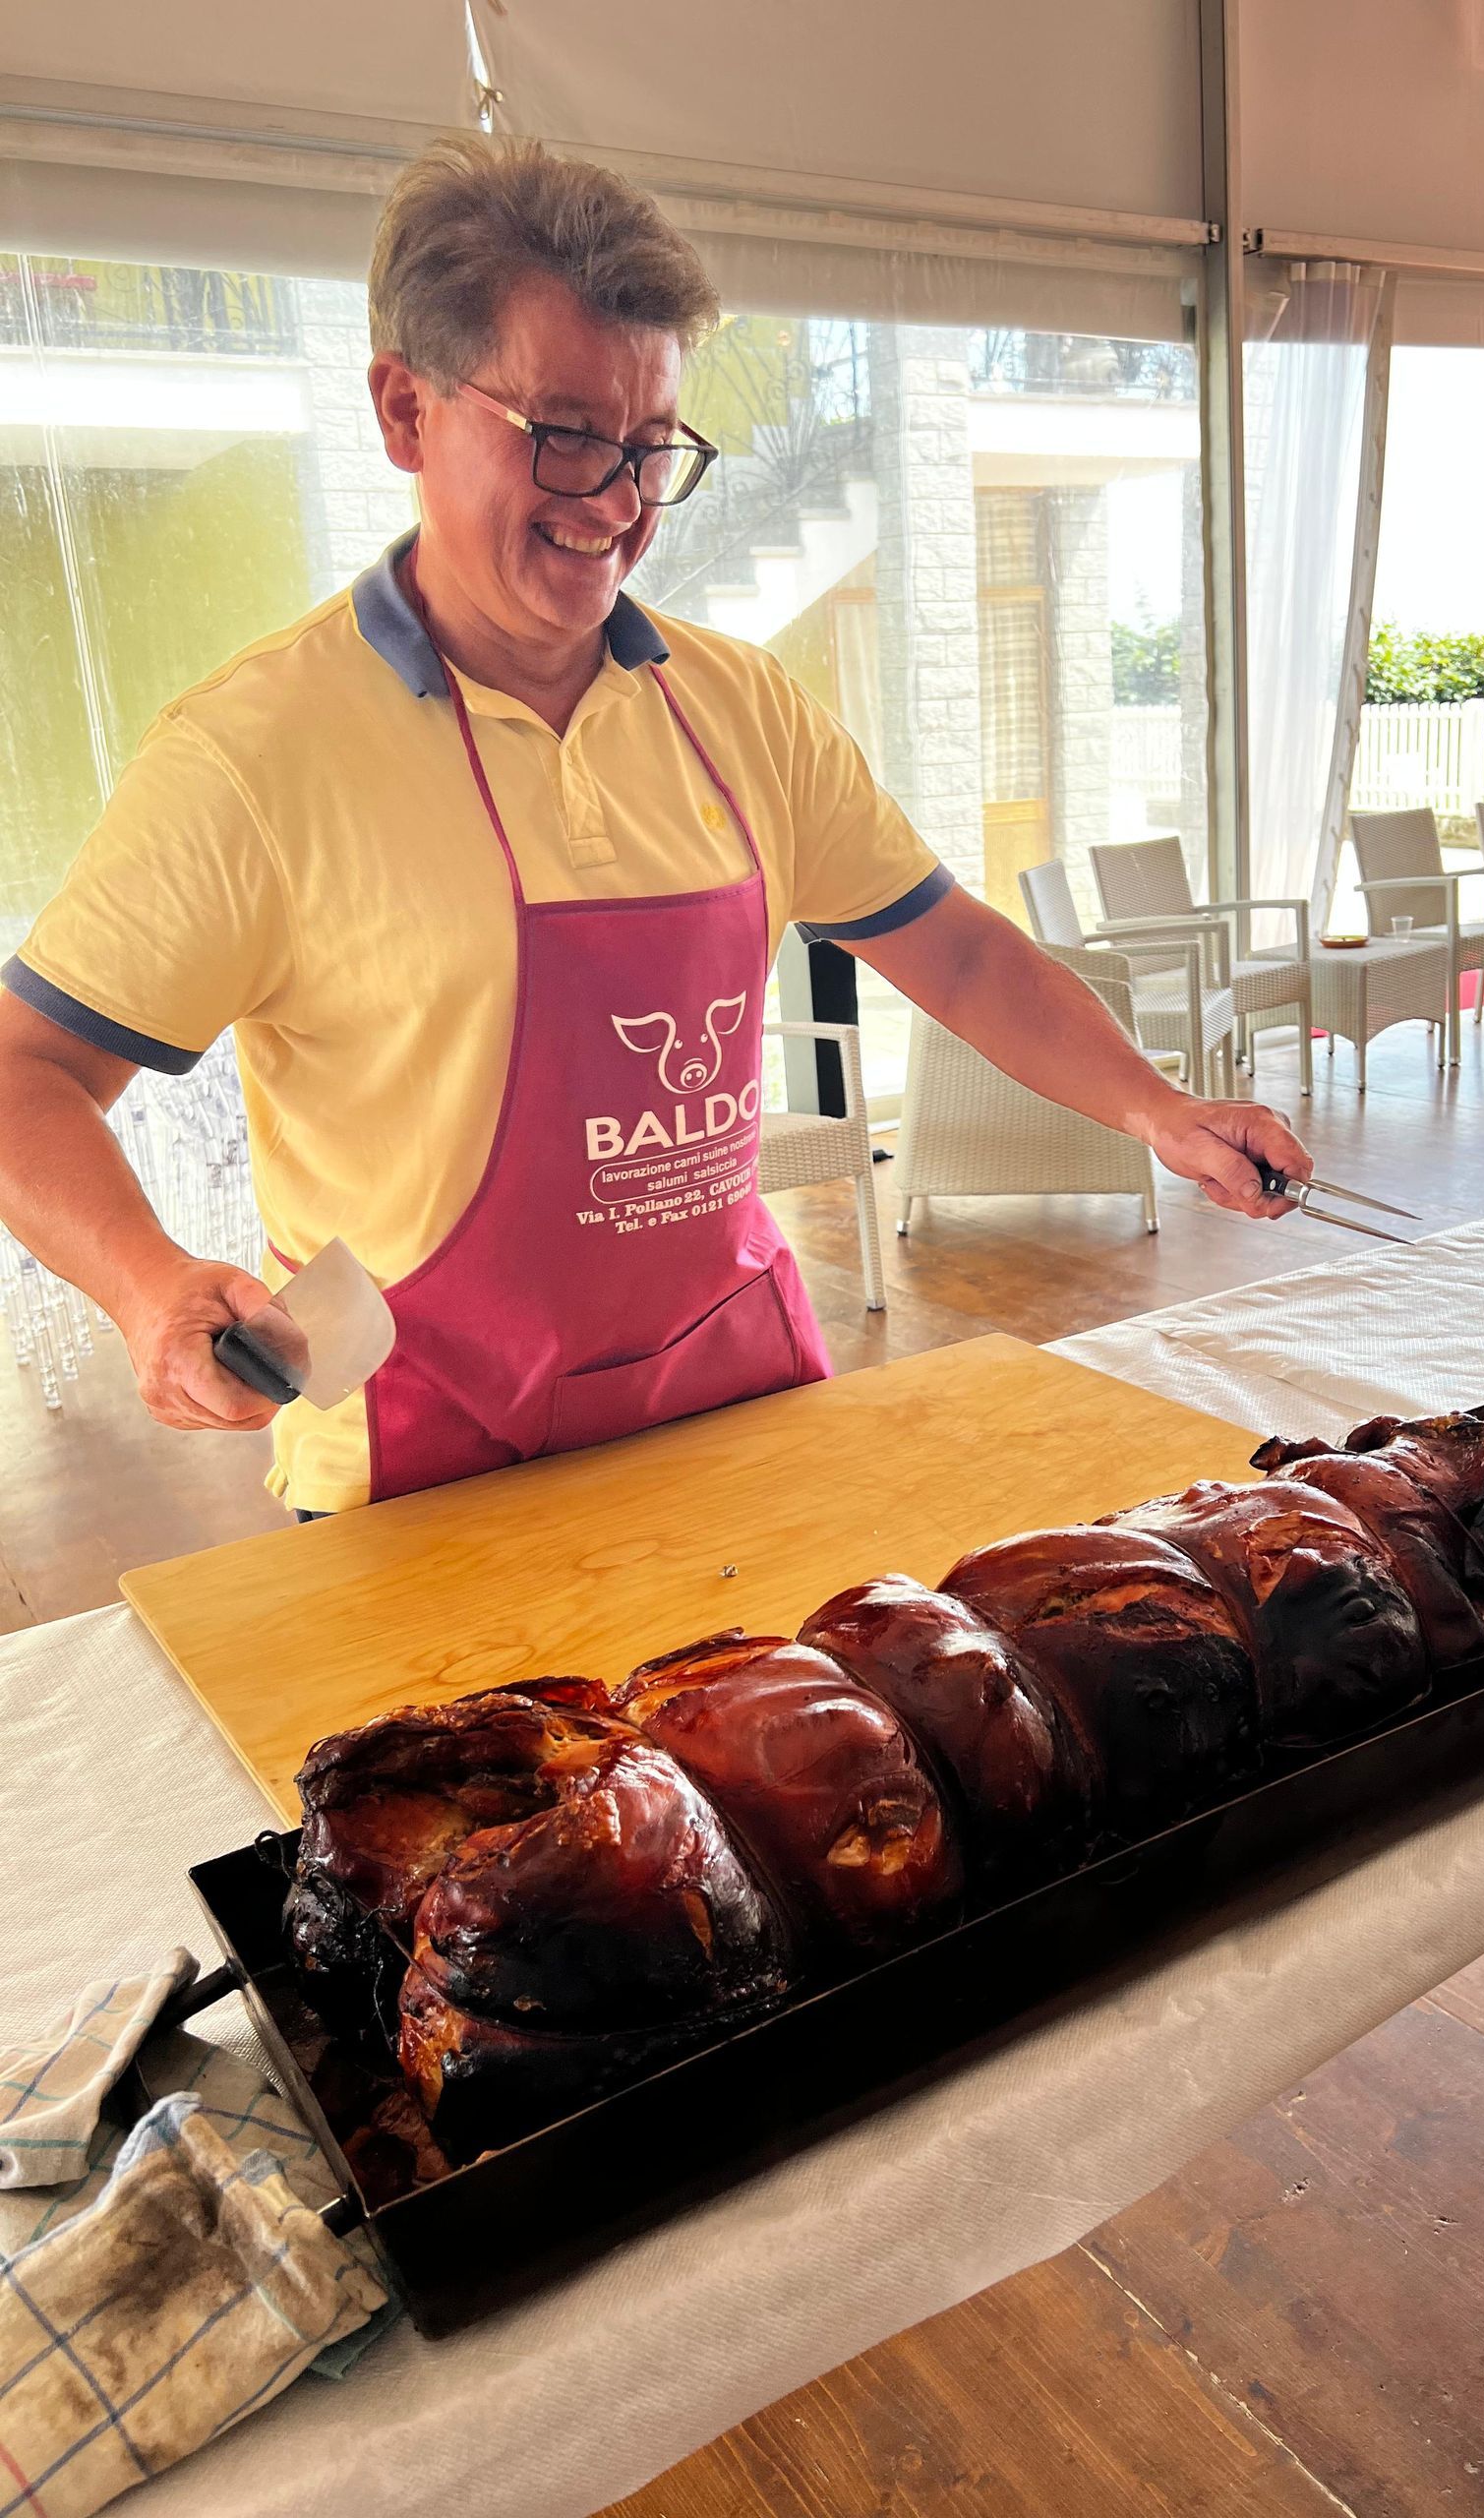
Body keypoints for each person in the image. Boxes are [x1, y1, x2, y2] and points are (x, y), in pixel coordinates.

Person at [0, 135, 1310, 1519]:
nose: (619, 504)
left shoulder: (743, 708)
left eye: (649, 447)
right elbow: (27, 1076)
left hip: (736, 1413)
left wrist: (1158, 1108)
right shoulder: (254, 755)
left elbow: (963, 955)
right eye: (564, 436)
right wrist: (147, 1283)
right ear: (403, 411)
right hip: (423, 1470)